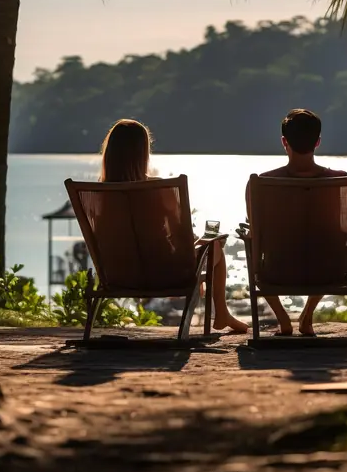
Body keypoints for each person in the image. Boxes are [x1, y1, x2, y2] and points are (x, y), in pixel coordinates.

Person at [101, 119, 247, 334]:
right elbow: (183, 238)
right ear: (144, 153)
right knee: (215, 246)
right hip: (166, 274)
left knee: (208, 245)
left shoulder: (100, 194)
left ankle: (220, 310)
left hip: (117, 274)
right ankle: (222, 313)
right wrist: (203, 243)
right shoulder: (161, 188)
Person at [245, 108, 347, 337]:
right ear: (318, 141)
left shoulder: (262, 184)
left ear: (284, 142)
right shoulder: (342, 180)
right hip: (330, 272)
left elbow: (256, 231)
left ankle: (284, 321)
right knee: (326, 244)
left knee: (252, 248)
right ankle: (307, 316)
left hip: (276, 272)